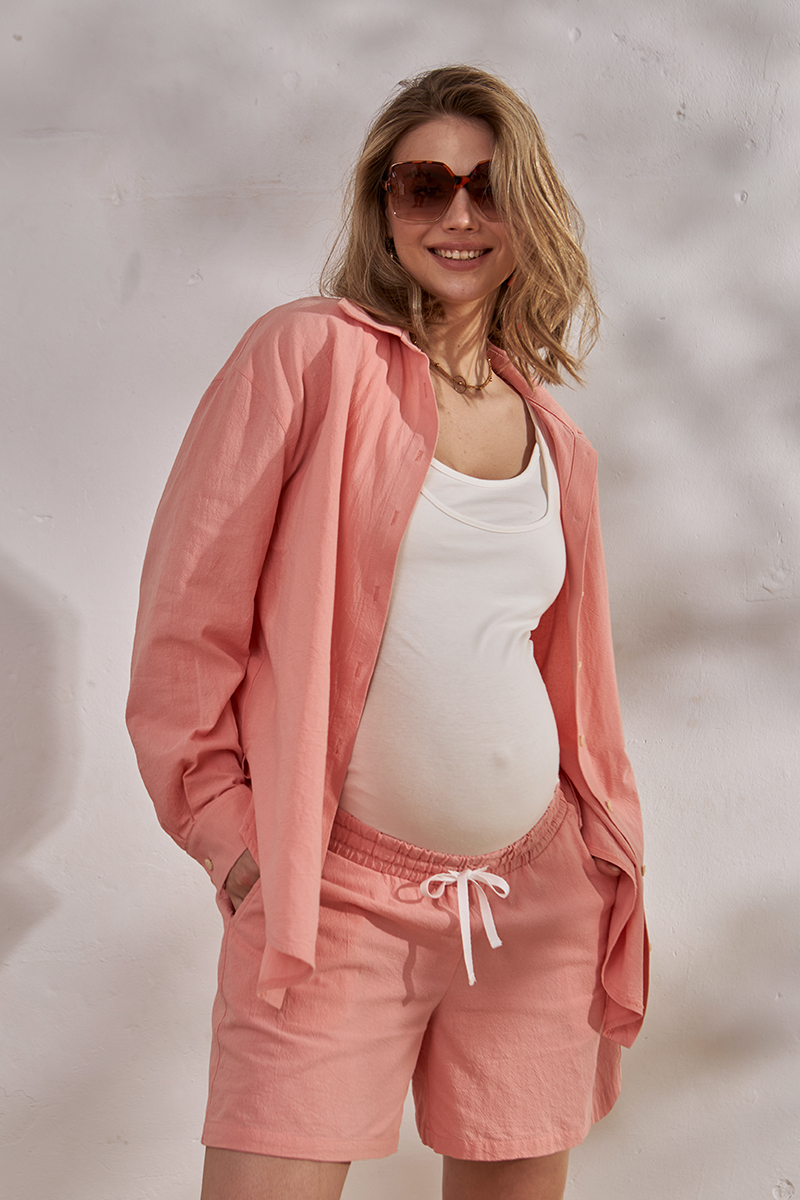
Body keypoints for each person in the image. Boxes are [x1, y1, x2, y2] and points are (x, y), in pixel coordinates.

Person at [127, 64, 648, 1200]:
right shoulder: (309, 356)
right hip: (331, 903)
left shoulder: (557, 440)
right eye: (423, 185)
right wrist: (236, 849)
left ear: (527, 209)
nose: (457, 213)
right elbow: (183, 629)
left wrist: (606, 860)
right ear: (382, 204)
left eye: (487, 185)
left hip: (531, 907)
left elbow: (568, 683)